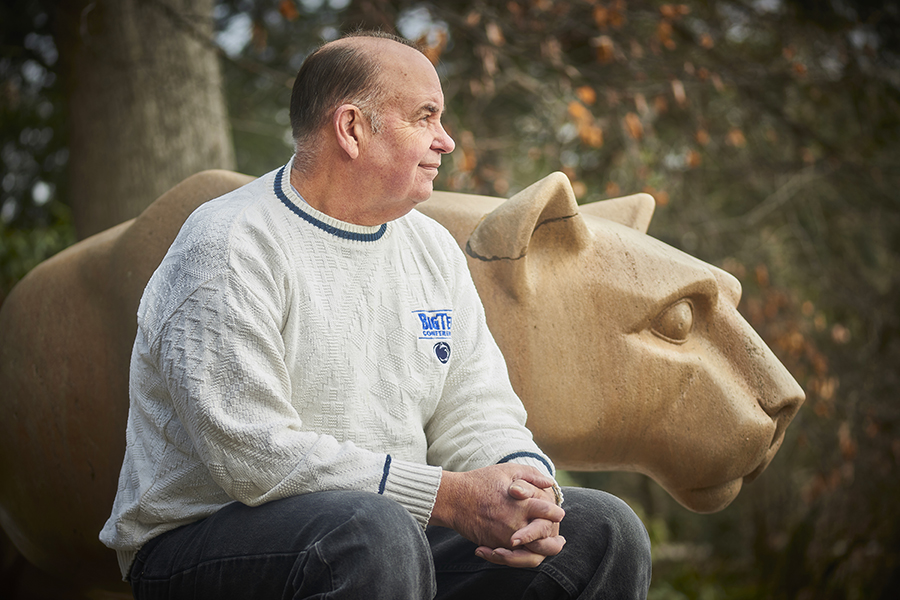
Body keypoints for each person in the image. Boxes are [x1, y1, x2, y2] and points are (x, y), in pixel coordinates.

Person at [100, 31, 651, 599]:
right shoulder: (228, 244)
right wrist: (450, 497)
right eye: (426, 116)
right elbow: (255, 456)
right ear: (352, 129)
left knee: (605, 531)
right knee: (374, 534)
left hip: (386, 536)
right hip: (203, 544)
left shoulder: (432, 249)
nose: (448, 140)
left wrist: (529, 494)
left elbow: (476, 407)